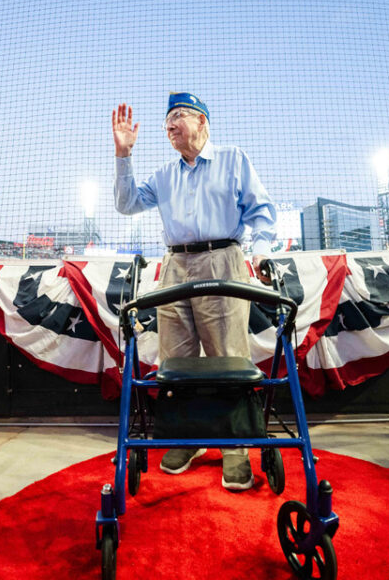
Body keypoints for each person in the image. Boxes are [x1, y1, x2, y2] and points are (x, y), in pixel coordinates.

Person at [113, 93, 277, 491]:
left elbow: (261, 211)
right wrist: (123, 156)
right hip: (175, 265)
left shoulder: (233, 158)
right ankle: (188, 441)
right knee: (176, 358)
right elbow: (126, 204)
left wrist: (261, 252)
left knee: (227, 355)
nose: (170, 124)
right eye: (167, 119)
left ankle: (236, 450)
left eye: (179, 116)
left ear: (203, 121)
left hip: (222, 258)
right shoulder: (165, 173)